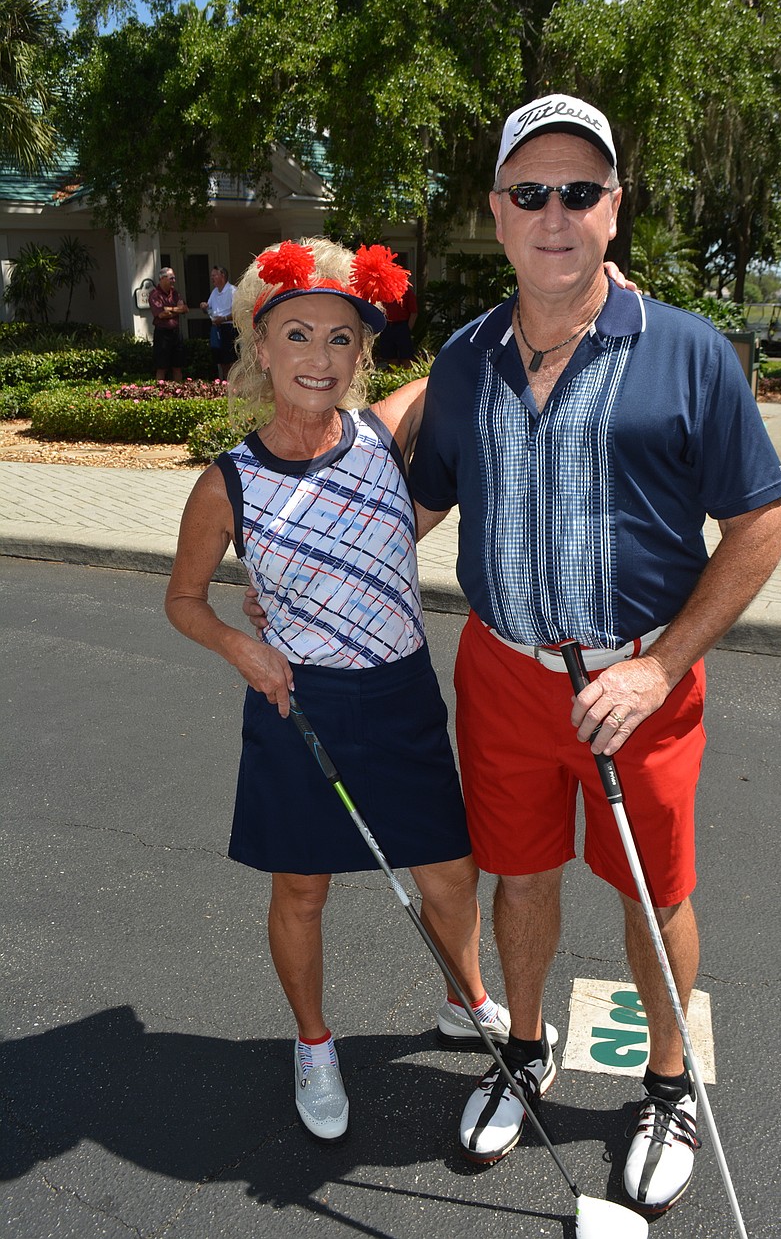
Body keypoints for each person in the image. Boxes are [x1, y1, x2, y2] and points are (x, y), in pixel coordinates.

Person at [406, 94, 781, 1214]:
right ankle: (523, 1051)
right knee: (518, 874)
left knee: (651, 888)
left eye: (580, 190)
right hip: (501, 671)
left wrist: (661, 666)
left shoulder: (687, 352)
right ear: (497, 212)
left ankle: (662, 1082)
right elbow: (422, 503)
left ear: (614, 210)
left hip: (641, 685)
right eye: (531, 192)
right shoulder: (469, 357)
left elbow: (759, 527)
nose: (555, 212)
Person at [164, 237, 517, 1146]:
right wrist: (243, 648)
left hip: (401, 695)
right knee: (304, 891)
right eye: (297, 335)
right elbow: (183, 601)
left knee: (449, 872)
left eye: (339, 339)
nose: (318, 358)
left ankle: (466, 994)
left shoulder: (379, 435)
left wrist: (594, 287)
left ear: (362, 353)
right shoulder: (226, 482)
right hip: (299, 704)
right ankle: (314, 1042)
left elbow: (464, 359)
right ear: (261, 345)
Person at [149, 267, 188, 382]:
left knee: (178, 366)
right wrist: (177, 310)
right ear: (163, 278)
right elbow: (161, 315)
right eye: (171, 278)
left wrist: (170, 309)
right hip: (162, 334)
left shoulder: (175, 293)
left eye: (174, 278)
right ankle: (160, 393)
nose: (174, 281)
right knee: (162, 367)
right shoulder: (155, 295)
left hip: (176, 333)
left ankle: (179, 393)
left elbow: (185, 309)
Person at [200, 265, 237, 380]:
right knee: (220, 358)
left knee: (230, 359)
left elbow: (238, 312)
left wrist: (224, 319)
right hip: (216, 328)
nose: (212, 278)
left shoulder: (232, 291)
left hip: (228, 327)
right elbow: (209, 309)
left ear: (223, 276)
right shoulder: (215, 292)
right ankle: (224, 383)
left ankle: (232, 384)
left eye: (214, 275)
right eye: (211, 276)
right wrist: (204, 306)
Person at [377, 278, 418, 367]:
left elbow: (414, 313)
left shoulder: (407, 293)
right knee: (390, 357)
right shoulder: (382, 293)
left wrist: (407, 329)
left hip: (402, 326)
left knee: (406, 356)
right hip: (387, 326)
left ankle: (408, 377)